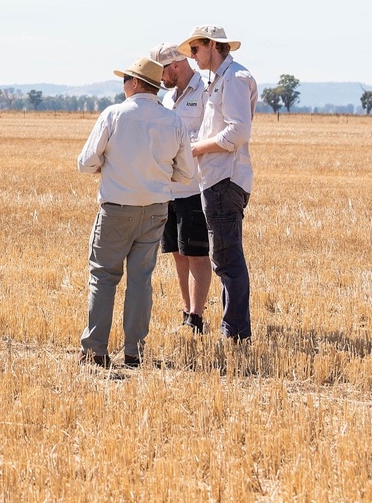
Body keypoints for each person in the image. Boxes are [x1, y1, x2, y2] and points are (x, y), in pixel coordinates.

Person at [75, 56, 195, 368]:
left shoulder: (113, 115)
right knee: (141, 280)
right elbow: (186, 174)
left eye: (125, 79)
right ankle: (134, 352)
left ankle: (95, 351)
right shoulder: (173, 121)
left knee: (103, 277)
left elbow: (85, 163)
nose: (124, 85)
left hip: (116, 209)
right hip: (155, 211)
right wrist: (156, 173)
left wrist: (109, 165)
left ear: (137, 83)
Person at [179, 25, 257, 342]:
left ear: (212, 45)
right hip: (216, 178)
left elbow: (238, 133)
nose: (193, 57)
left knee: (227, 259)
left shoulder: (235, 79)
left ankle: (236, 333)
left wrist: (196, 149)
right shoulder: (221, 79)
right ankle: (233, 329)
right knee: (223, 258)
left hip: (225, 178)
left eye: (195, 50)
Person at [151, 42, 212, 334]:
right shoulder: (167, 99)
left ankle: (197, 319)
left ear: (175, 65)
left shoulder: (205, 91)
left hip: (194, 188)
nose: (159, 79)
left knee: (197, 254)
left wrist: (176, 145)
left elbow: (206, 134)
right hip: (169, 189)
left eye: (161, 70)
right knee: (177, 252)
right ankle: (187, 311)